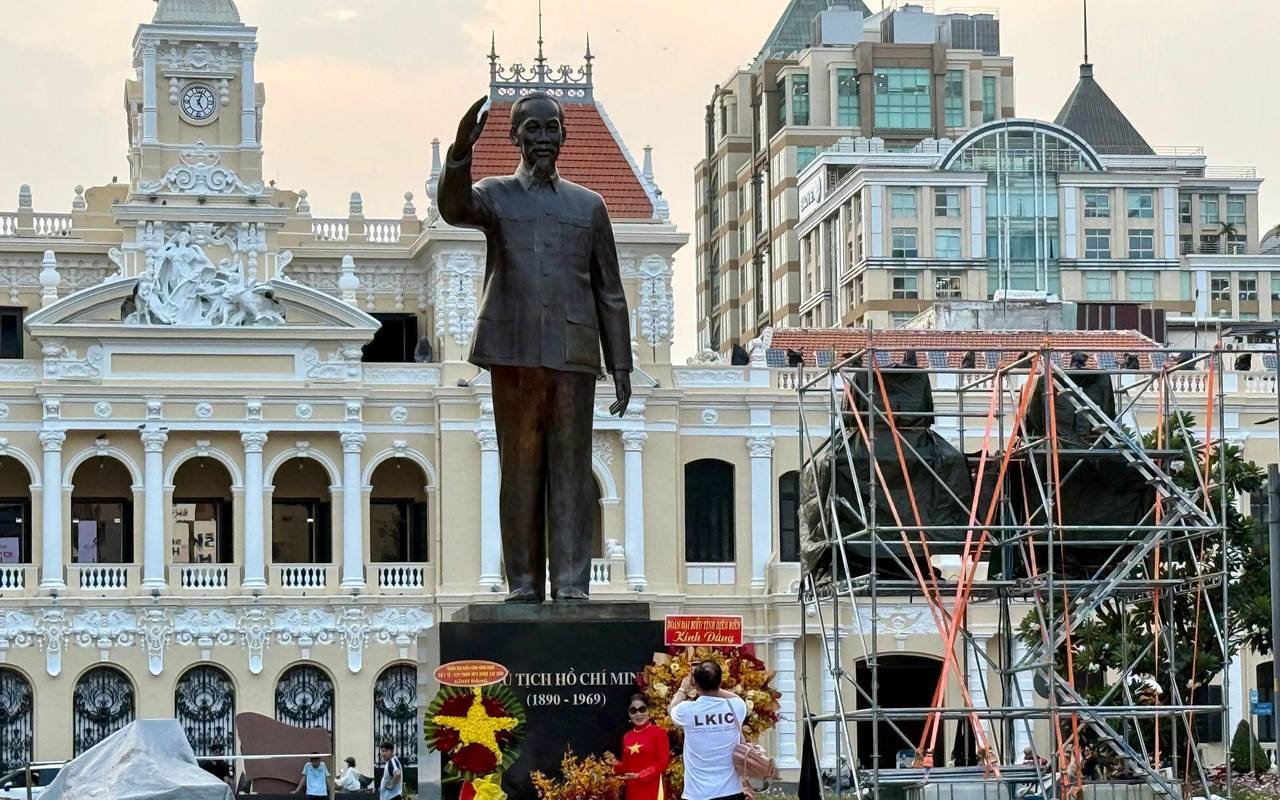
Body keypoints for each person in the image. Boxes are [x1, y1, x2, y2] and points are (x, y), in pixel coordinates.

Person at [439, 92, 633, 603]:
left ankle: (570, 584)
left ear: (564, 136)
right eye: (533, 128)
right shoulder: (495, 195)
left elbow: (609, 291)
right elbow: (454, 208)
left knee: (572, 471)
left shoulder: (589, 206)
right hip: (514, 349)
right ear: (514, 136)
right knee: (520, 469)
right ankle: (523, 583)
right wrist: (461, 151)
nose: (543, 138)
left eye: (552, 129)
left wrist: (622, 365)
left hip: (573, 353)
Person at [669, 658, 749, 800]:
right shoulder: (736, 707)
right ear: (720, 681)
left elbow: (671, 709)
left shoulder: (687, 710)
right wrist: (715, 686)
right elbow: (737, 698)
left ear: (695, 684)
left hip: (697, 794)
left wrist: (683, 689)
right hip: (731, 792)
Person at [614, 694, 670, 800]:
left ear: (648, 711)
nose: (638, 714)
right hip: (633, 790)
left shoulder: (658, 732)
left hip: (652, 788)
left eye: (642, 709)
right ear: (628, 713)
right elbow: (626, 767)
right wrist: (613, 764)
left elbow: (663, 762)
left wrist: (640, 775)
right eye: (633, 711)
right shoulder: (627, 737)